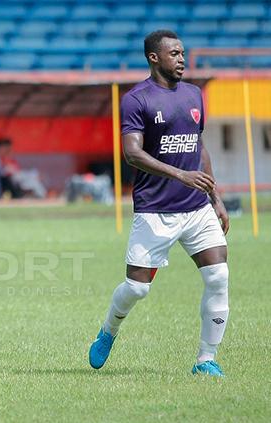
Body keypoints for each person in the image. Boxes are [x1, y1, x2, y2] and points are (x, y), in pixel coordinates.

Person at [88, 30, 230, 377]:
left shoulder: (194, 94)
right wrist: (181, 176)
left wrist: (215, 197)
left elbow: (199, 146)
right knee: (137, 288)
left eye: (183, 53)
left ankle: (205, 359)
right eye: (175, 54)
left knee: (218, 276)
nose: (182, 59)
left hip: (196, 209)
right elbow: (132, 153)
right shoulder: (137, 99)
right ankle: (109, 330)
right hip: (155, 211)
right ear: (154, 57)